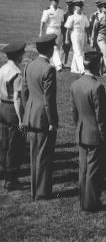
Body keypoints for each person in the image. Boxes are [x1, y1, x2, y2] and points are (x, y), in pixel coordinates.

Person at [70, 50, 106, 212]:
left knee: (84, 170)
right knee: (94, 171)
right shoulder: (97, 86)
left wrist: (79, 128)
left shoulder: (75, 84)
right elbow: (101, 116)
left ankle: (84, 201)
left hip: (82, 132)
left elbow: (74, 112)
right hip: (95, 135)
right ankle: (91, 203)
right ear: (96, 65)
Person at [22, 33, 59, 200]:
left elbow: (24, 92)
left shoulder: (29, 65)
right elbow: (48, 99)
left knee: (34, 155)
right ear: (50, 49)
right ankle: (42, 192)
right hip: (43, 117)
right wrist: (52, 121)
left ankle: (35, 190)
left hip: (31, 114)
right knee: (44, 156)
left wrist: (26, 112)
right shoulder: (48, 68)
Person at [0, 41, 26, 190]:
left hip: (2, 106)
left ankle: (5, 173)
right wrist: (21, 119)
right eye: (22, 53)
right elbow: (16, 98)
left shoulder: (2, 69)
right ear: (18, 55)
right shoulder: (16, 72)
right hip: (11, 109)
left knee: (4, 142)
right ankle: (11, 179)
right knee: (14, 145)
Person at [39, 0, 65, 71]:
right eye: (54, 1)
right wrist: (41, 32)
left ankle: (52, 64)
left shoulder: (61, 10)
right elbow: (42, 22)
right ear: (51, 1)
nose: (56, 2)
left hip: (58, 31)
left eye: (57, 1)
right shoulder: (47, 11)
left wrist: (63, 32)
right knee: (55, 47)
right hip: (50, 30)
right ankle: (58, 66)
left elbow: (62, 22)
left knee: (57, 48)